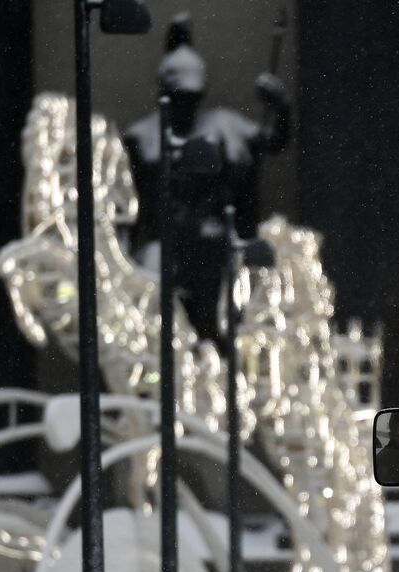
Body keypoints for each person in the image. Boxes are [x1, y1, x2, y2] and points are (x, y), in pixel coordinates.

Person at [122, 13, 290, 337]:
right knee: (160, 324)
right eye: (179, 97)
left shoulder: (224, 127)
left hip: (214, 248)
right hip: (165, 250)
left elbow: (274, 140)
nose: (185, 106)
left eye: (191, 98)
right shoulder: (142, 139)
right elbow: (130, 206)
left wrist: (280, 106)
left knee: (219, 323)